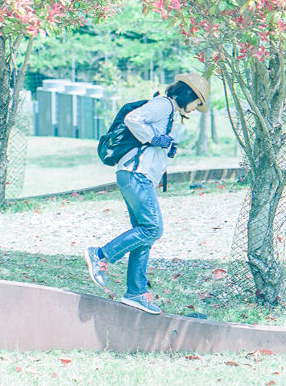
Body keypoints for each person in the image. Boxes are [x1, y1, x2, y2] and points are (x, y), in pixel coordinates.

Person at [84, 72, 210, 314]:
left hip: (138, 177)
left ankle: (136, 293)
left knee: (145, 236)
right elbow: (134, 119)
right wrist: (155, 139)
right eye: (198, 103)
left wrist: (165, 146)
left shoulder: (170, 112)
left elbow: (152, 141)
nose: (196, 109)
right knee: (152, 229)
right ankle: (100, 255)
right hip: (135, 175)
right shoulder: (163, 104)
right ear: (189, 95)